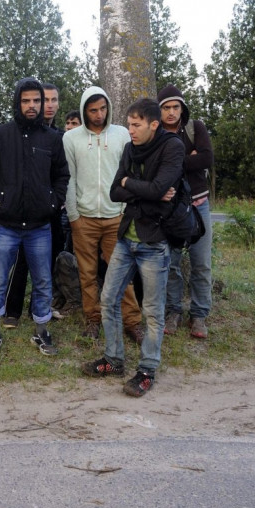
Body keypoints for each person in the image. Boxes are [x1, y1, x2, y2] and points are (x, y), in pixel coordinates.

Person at [81, 98, 183, 397]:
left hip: (154, 241)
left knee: (152, 311)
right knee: (108, 298)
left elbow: (159, 188)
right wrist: (141, 188)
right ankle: (113, 360)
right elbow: (115, 191)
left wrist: (132, 184)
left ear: (154, 124)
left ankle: (147, 370)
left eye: (136, 125)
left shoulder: (172, 147)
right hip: (127, 238)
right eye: (128, 124)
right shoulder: (129, 148)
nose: (131, 130)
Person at [0, 77, 70, 358]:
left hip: (40, 226)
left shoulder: (52, 139)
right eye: (26, 100)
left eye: (36, 100)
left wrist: (53, 201)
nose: (32, 105)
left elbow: (62, 175)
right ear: (17, 102)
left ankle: (41, 331)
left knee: (43, 281)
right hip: (5, 224)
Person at [63, 86, 143, 342]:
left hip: (115, 218)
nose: (99, 115)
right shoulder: (71, 138)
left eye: (103, 109)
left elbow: (130, 173)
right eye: (93, 110)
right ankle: (92, 319)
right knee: (87, 274)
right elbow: (69, 178)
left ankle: (132, 322)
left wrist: (124, 209)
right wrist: (73, 216)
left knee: (123, 273)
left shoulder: (121, 135)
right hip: (84, 218)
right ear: (84, 110)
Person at [157, 84, 214, 339]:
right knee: (170, 264)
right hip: (170, 209)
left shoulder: (195, 128)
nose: (171, 112)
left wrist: (174, 161)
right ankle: (174, 311)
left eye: (175, 107)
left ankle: (199, 315)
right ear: (159, 110)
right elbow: (155, 167)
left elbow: (206, 158)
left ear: (182, 108)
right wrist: (188, 158)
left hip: (199, 205)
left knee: (201, 263)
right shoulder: (155, 133)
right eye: (166, 107)